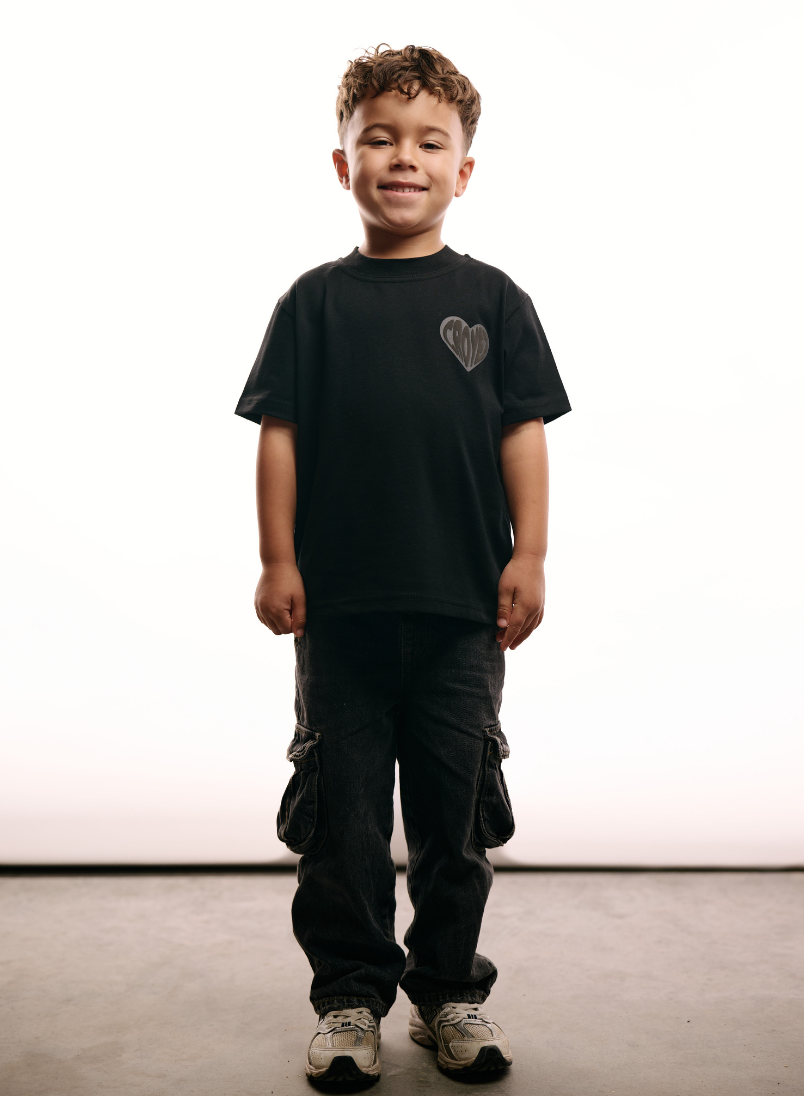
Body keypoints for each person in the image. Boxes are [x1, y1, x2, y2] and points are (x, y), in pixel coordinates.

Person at [234, 43, 572, 1083]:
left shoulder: (497, 300)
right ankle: (348, 999)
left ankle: (450, 993)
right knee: (340, 821)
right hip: (339, 614)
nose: (404, 158)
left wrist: (531, 555)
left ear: (463, 171)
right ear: (344, 164)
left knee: (453, 820)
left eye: (430, 143)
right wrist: (277, 560)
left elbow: (523, 434)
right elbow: (280, 436)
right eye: (379, 139)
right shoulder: (313, 304)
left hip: (463, 611)